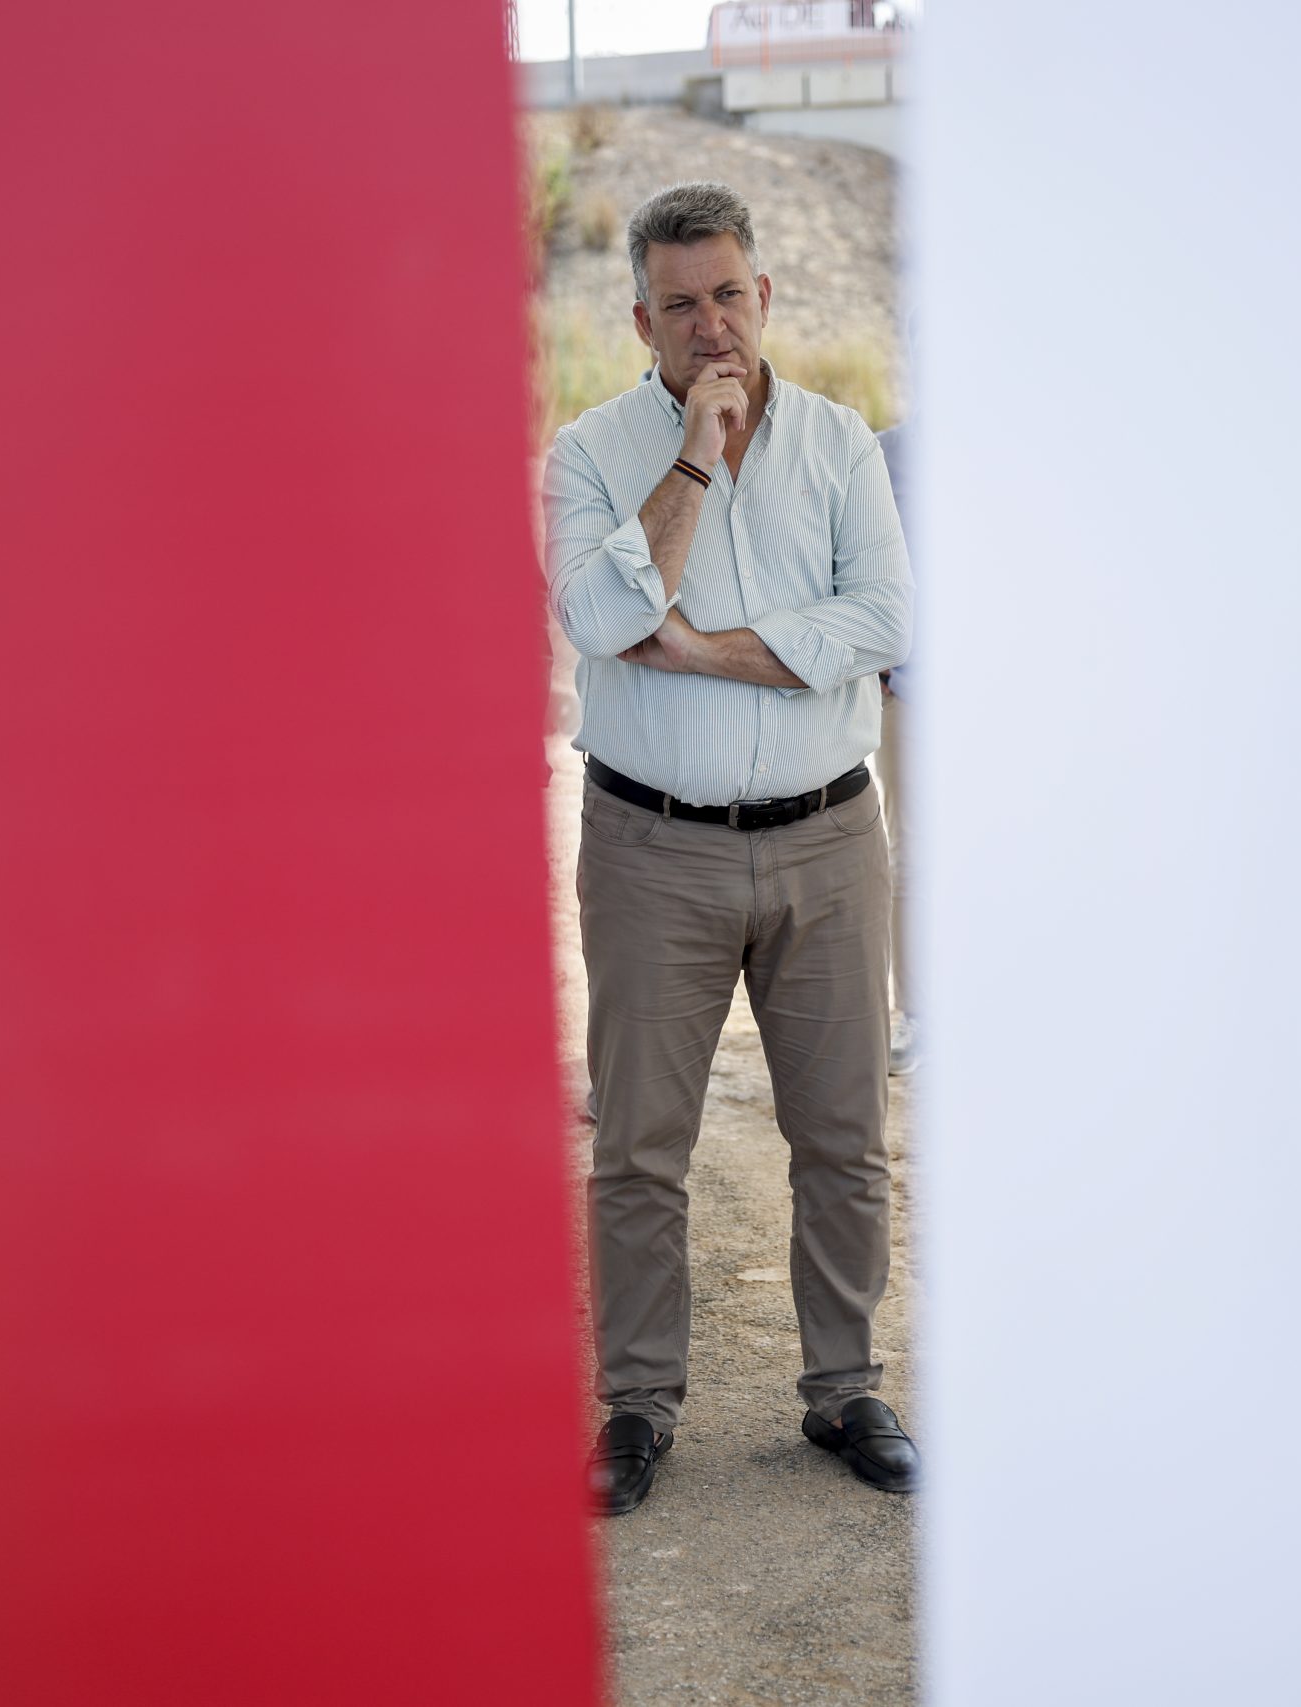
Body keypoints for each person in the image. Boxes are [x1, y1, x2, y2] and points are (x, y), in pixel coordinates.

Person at [544, 182, 918, 1516]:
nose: (712, 326)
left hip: (828, 841)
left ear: (765, 294)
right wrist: (694, 459)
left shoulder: (840, 445)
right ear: (640, 319)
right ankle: (638, 1404)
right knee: (641, 1147)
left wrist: (701, 651)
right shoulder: (591, 453)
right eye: (680, 305)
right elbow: (601, 615)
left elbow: (883, 618)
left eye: (728, 295)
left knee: (844, 1137)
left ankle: (845, 1385)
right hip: (654, 847)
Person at [873, 419, 918, 1076]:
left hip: (1007, 696)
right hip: (913, 693)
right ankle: (919, 1014)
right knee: (912, 853)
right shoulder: (885, 453)